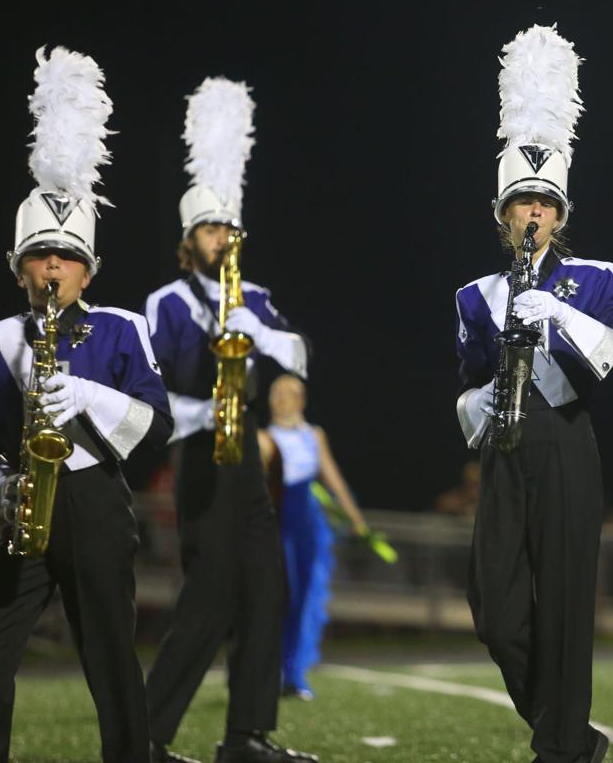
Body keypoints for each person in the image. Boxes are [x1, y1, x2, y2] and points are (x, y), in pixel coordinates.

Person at [0, 47, 172, 763]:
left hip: (96, 506)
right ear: (20, 267)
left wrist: (83, 394)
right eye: (40, 256)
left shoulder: (121, 328)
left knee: (109, 658)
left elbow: (156, 421)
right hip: (29, 507)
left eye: (66, 257)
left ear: (88, 268)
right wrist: (4, 481)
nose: (53, 269)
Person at [454, 25, 613, 763]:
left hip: (568, 444)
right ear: (502, 213)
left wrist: (560, 314)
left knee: (566, 613)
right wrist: (482, 404)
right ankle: (566, 732)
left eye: (545, 202)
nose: (533, 212)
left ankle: (562, 748)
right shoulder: (474, 295)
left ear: (560, 215)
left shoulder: (597, 278)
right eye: (521, 201)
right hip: (503, 451)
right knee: (495, 615)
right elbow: (464, 388)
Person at [143, 78, 315, 763]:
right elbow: (168, 371)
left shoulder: (258, 296)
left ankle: (246, 736)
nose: (222, 237)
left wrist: (256, 333)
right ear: (191, 239)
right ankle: (144, 738)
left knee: (266, 593)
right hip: (197, 446)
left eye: (228, 228)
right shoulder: (169, 300)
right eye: (210, 229)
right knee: (208, 603)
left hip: (245, 453)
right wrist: (216, 335)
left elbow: (297, 354)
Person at [258, 374, 367, 701]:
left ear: (301, 399)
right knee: (277, 594)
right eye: (276, 391)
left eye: (289, 392)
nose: (281, 397)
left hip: (307, 521)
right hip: (276, 519)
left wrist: (356, 518)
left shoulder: (313, 435)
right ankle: (265, 670)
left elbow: (331, 477)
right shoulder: (263, 437)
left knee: (303, 596)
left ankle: (294, 673)